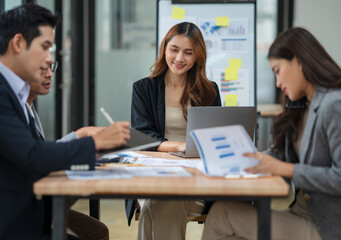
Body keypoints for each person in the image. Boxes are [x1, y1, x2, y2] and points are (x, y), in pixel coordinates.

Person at [201, 27, 341, 240]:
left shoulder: (335, 104)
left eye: (277, 70)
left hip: (329, 227)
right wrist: (254, 159)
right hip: (302, 213)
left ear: (298, 61)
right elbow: (286, 155)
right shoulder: (304, 105)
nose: (277, 82)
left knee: (223, 213)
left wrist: (286, 169)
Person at [0, 3, 130, 239]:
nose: (49, 59)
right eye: (45, 47)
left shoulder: (14, 92)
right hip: (15, 222)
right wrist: (94, 144)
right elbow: (31, 154)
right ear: (18, 44)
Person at [129, 22, 221, 240]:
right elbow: (142, 136)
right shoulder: (143, 89)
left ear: (198, 56)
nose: (180, 58)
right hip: (153, 175)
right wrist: (180, 146)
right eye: (174, 50)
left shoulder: (209, 91)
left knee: (159, 204)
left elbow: (213, 138)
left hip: (195, 178)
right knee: (162, 199)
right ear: (164, 50)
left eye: (188, 53)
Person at [27, 61, 109, 240]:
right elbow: (35, 157)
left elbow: (43, 151)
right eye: (42, 67)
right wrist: (81, 142)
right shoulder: (12, 110)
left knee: (98, 231)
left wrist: (80, 136)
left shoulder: (30, 107)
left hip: (39, 203)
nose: (49, 74)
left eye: (51, 67)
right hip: (25, 209)